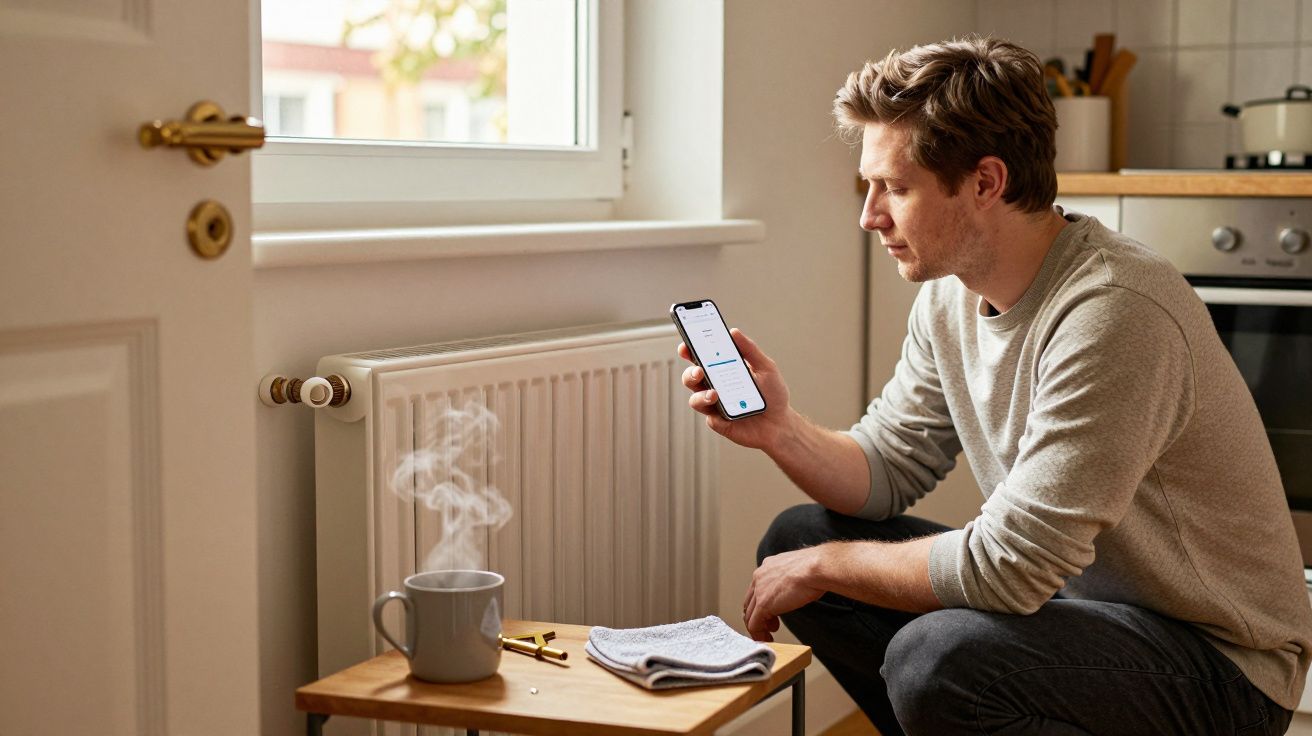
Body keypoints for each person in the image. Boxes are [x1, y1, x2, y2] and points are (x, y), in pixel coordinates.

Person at [676, 37, 1312, 735]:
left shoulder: (1115, 311)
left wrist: (830, 564)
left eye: (896, 187)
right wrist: (780, 429)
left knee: (933, 656)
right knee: (796, 538)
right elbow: (887, 471)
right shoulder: (949, 300)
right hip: (1080, 613)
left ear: (985, 182)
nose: (869, 215)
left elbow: (1011, 567)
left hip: (1221, 664)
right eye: (869, 186)